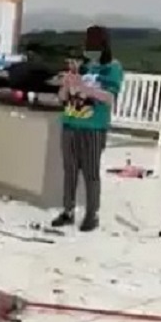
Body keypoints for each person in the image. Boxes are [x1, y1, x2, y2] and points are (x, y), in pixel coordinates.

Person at [52, 25, 124, 231]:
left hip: (93, 126)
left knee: (90, 172)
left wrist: (85, 88)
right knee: (70, 170)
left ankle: (92, 214)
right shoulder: (82, 66)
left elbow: (109, 98)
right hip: (71, 122)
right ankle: (68, 211)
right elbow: (62, 98)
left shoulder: (112, 68)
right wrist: (67, 83)